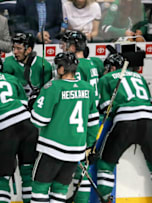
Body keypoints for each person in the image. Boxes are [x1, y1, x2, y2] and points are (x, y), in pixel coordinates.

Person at [30, 52, 99, 203]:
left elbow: (39, 120)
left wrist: (34, 104)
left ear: (61, 69)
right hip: (76, 151)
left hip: (52, 148)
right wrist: (89, 145)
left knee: (40, 189)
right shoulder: (88, 89)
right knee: (60, 191)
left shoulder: (53, 87)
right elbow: (93, 122)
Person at [0, 56, 38, 203]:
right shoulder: (12, 79)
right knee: (28, 173)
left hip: (4, 130)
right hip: (28, 126)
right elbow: (24, 103)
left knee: (1, 178)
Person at [97, 53, 152, 202]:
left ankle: (106, 198)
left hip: (125, 122)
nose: (105, 71)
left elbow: (105, 108)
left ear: (113, 67)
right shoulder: (139, 77)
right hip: (149, 120)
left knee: (105, 164)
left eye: (107, 68)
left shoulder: (105, 79)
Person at [60, 30, 100, 203]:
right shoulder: (91, 63)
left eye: (65, 43)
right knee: (82, 166)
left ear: (74, 46)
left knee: (80, 167)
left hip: (80, 119)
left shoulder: (77, 66)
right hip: (90, 116)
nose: (62, 46)